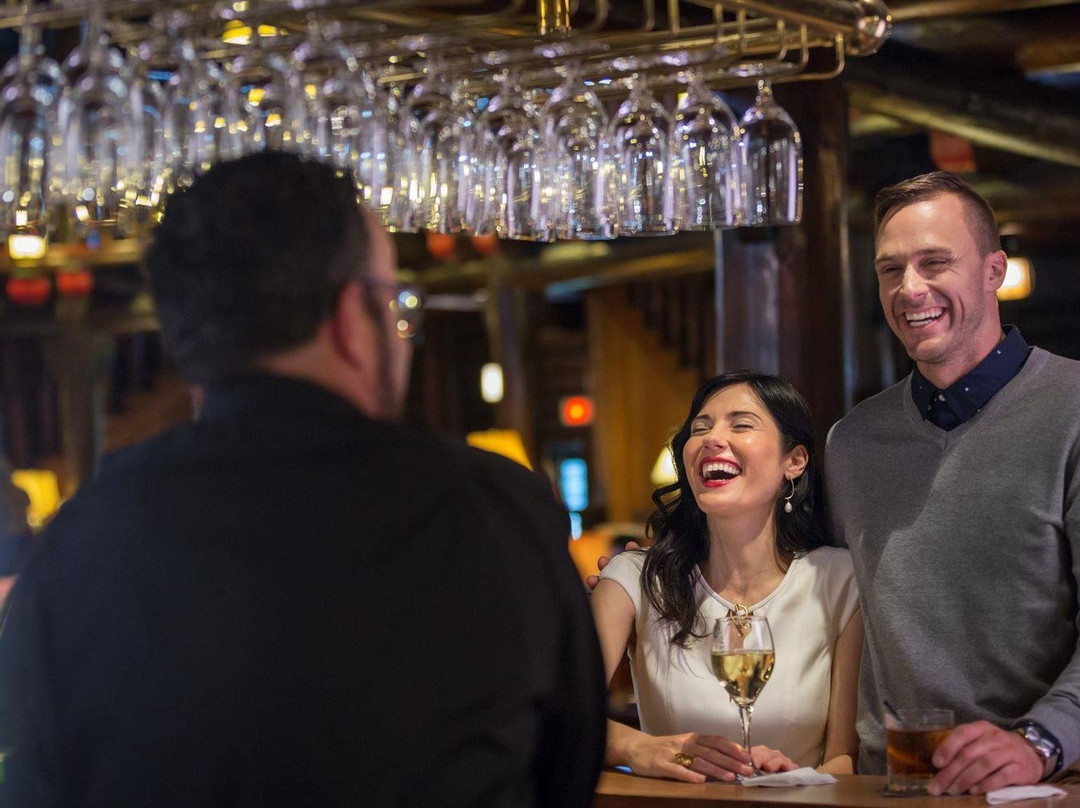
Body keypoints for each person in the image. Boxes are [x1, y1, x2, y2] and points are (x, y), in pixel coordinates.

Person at [0, 152, 606, 807]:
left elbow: (36, 784)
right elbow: (566, 773)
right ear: (351, 319)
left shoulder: (84, 534)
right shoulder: (494, 510)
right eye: (395, 301)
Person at [825, 171, 1080, 795]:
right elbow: (821, 589)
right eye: (891, 270)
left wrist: (1039, 742)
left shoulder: (1073, 410)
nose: (911, 289)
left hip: (1041, 785)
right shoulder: (851, 442)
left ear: (994, 270)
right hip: (888, 787)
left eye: (935, 262)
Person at [591, 371, 862, 783]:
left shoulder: (838, 579)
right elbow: (561, 712)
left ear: (794, 461)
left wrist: (793, 779)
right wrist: (640, 747)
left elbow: (844, 760)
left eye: (741, 424)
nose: (711, 439)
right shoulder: (633, 578)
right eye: (700, 427)